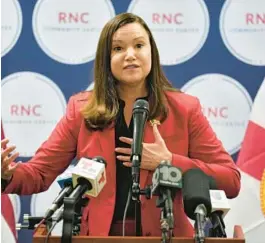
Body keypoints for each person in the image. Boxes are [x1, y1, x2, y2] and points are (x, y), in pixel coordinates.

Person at [1, 12, 241, 237]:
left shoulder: (185, 109)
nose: (130, 55)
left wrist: (169, 162)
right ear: (106, 59)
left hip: (167, 236)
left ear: (151, 53)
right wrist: (6, 174)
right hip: (98, 238)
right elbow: (39, 174)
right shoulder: (82, 110)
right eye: (118, 48)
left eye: (139, 45)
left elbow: (230, 180)